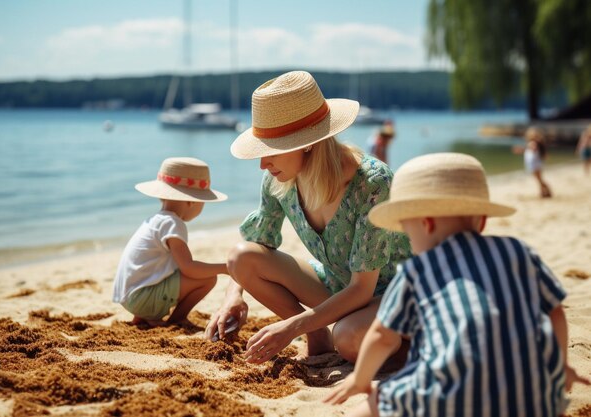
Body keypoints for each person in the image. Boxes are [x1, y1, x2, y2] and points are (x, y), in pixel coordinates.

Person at [324, 152, 590, 416]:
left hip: (446, 396)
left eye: (406, 231)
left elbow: (382, 336)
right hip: (527, 393)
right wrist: (561, 365)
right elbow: (555, 311)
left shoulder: (418, 271)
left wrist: (360, 380)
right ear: (482, 221)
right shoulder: (518, 251)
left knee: (374, 403)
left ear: (425, 224)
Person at [204, 71, 412, 365]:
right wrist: (233, 296)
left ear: (307, 142)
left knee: (349, 339)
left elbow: (363, 288)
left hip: (396, 294)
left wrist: (292, 327)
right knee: (241, 257)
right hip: (340, 286)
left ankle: (426, 348)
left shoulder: (372, 182)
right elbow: (256, 242)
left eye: (271, 150)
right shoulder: (279, 180)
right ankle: (318, 338)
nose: (263, 164)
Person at [113, 157, 228, 327]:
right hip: (142, 298)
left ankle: (144, 316)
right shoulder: (173, 223)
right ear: (191, 201)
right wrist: (226, 268)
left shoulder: (156, 220)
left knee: (182, 274)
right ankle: (177, 319)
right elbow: (188, 267)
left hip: (130, 295)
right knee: (208, 279)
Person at [521, 127, 552, 198]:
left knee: (539, 179)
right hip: (535, 164)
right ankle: (543, 192)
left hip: (535, 164)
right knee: (539, 179)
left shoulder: (533, 143)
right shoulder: (537, 143)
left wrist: (525, 148)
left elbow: (533, 149)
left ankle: (546, 191)